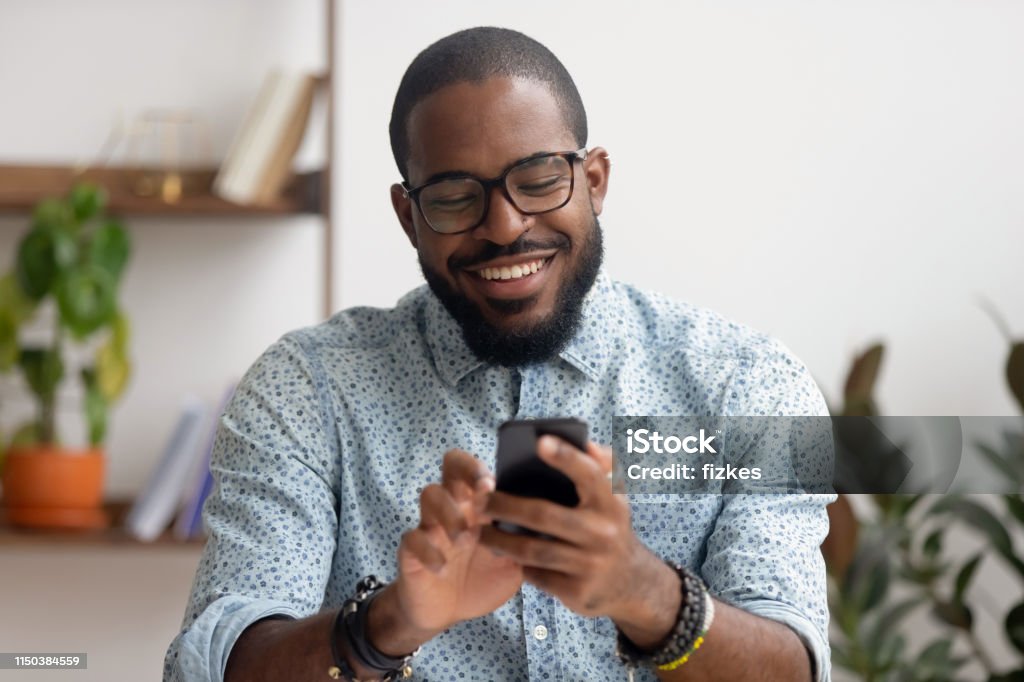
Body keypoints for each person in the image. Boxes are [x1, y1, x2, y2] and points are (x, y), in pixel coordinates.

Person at [164, 27, 834, 682]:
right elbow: (209, 666)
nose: (506, 226)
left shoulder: (746, 386)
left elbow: (795, 666)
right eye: (456, 197)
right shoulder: (306, 390)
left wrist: (647, 594)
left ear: (594, 181)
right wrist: (387, 624)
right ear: (408, 217)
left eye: (539, 180)